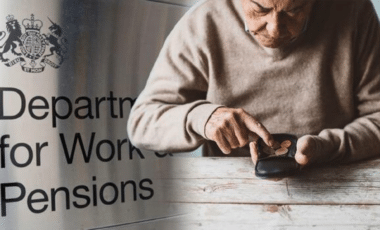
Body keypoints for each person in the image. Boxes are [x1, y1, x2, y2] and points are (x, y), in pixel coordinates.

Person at [127, 0, 380, 167]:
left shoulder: (354, 12)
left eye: (294, 10)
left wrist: (329, 147)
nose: (275, 29)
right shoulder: (203, 23)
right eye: (260, 9)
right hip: (231, 194)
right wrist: (203, 117)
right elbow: (142, 122)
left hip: (339, 179)